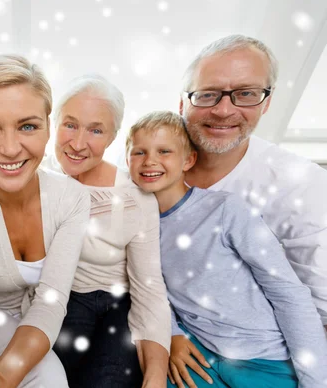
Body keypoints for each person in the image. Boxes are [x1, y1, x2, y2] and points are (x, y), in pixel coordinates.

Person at [126, 110, 327, 388]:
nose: (150, 161)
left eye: (164, 151)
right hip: (196, 355)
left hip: (264, 357)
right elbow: (147, 290)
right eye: (139, 152)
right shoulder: (133, 224)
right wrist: (171, 333)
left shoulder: (226, 209)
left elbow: (288, 292)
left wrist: (316, 381)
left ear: (188, 160)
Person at [178, 34, 327, 332]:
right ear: (182, 103)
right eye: (208, 94)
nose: (223, 110)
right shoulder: (145, 155)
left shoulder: (301, 183)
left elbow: (320, 302)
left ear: (267, 102)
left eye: (245, 94)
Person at [41, 75, 170, 388]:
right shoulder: (32, 177)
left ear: (113, 137)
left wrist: (156, 376)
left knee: (110, 380)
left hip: (118, 305)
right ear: (53, 123)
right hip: (64, 299)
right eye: (70, 124)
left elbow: (149, 289)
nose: (78, 142)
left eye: (96, 130)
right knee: (49, 372)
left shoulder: (134, 196)